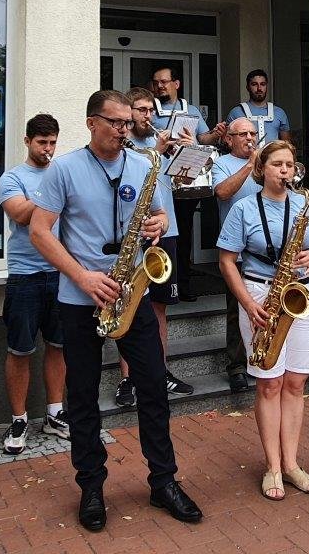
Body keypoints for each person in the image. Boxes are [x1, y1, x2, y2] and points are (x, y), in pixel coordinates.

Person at [29, 90, 202, 531]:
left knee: (153, 390)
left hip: (132, 291)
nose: (125, 129)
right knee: (83, 396)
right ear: (91, 123)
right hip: (80, 296)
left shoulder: (143, 165)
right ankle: (91, 486)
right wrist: (82, 277)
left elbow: (160, 217)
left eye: (128, 123)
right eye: (116, 122)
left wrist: (157, 225)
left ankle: (164, 481)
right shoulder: (65, 168)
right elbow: (40, 232)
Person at [218, 140, 309, 500]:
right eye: (278, 164)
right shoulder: (243, 208)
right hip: (261, 294)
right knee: (269, 384)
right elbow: (226, 261)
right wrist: (249, 304)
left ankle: (292, 462)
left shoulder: (304, 203)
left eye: (290, 165)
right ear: (262, 169)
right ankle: (272, 466)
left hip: (303, 294)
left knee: (296, 384)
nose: (286, 171)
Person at [0, 113, 68, 455]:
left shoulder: (62, 173)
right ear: (27, 142)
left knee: (58, 346)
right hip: (25, 274)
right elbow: (22, 214)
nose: (48, 149)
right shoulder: (13, 178)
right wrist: (56, 185)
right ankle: (19, 418)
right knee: (20, 350)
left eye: (53, 142)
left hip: (61, 273)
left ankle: (55, 412)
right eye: (42, 143)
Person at [122, 87, 194, 403]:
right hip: (135, 236)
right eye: (140, 110)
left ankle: (160, 372)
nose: (147, 116)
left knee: (160, 307)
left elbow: (183, 183)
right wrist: (158, 151)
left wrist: (188, 157)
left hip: (167, 231)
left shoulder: (160, 143)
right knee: (130, 304)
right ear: (129, 113)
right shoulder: (125, 145)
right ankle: (128, 379)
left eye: (150, 110)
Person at [150, 64, 224, 301]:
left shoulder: (190, 109)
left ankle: (182, 284)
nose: (160, 86)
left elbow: (204, 138)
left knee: (183, 233)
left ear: (176, 84)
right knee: (159, 232)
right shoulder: (150, 108)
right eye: (157, 82)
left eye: (164, 81)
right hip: (160, 180)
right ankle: (159, 282)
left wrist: (217, 133)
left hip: (185, 180)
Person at [212, 116, 264, 393]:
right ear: (229, 139)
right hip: (236, 251)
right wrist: (249, 166)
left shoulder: (265, 160)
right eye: (242, 134)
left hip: (267, 249)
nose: (249, 138)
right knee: (237, 310)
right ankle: (236, 366)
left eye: (253, 133)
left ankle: (264, 356)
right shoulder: (221, 163)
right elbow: (222, 192)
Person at [226, 69, 292, 144]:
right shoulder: (236, 112)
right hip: (244, 155)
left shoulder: (279, 113)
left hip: (272, 155)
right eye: (254, 84)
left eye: (263, 84)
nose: (259, 88)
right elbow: (227, 143)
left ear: (266, 86)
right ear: (247, 87)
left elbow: (286, 145)